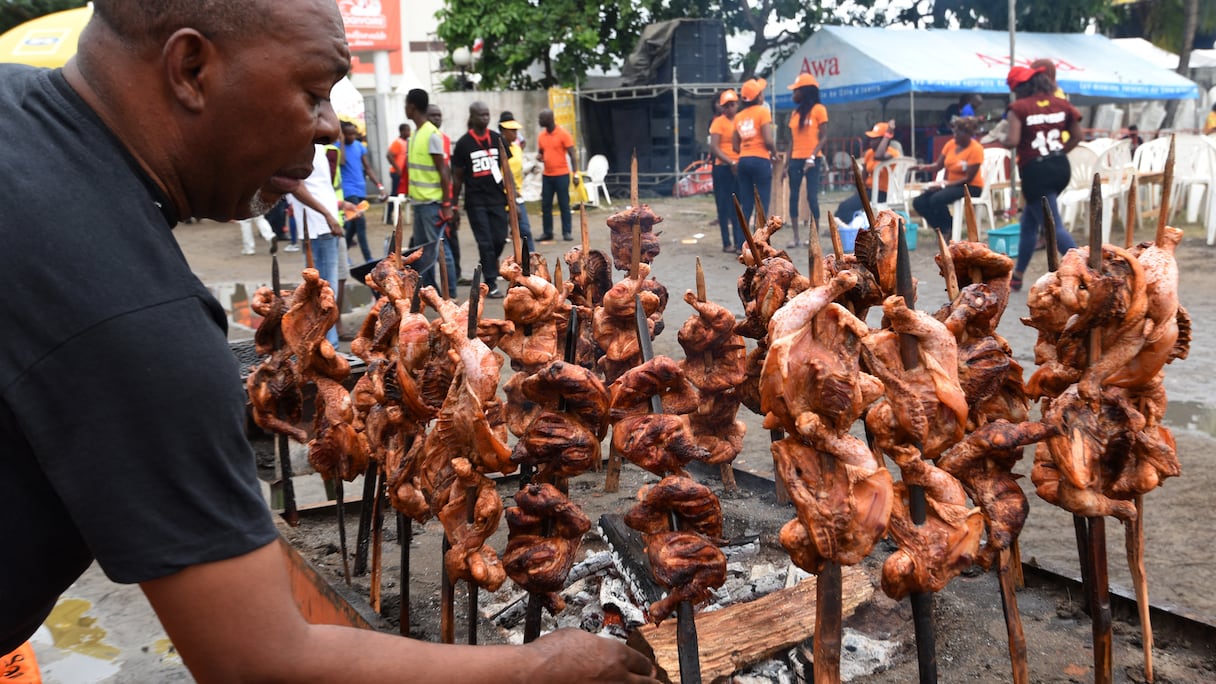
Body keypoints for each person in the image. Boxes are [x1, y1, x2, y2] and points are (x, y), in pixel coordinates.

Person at [0, 2, 656, 681]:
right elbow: (258, 660)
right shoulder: (133, 320)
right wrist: (535, 669)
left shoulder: (15, 103)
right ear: (191, 68)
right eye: (313, 93)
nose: (329, 129)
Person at [1004, 65, 1082, 292]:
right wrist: (1057, 154)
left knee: (1052, 227)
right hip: (1060, 167)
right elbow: (1077, 135)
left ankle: (1087, 270)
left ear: (1021, 87)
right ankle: (1017, 276)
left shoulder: (1018, 108)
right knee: (1029, 222)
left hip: (1035, 172)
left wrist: (1000, 136)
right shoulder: (1062, 104)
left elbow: (1013, 140)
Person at [289, 143, 347, 346]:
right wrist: (327, 215)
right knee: (323, 295)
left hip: (327, 226)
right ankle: (327, 346)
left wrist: (336, 208)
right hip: (318, 228)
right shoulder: (297, 147)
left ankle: (328, 346)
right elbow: (296, 186)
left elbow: (319, 187)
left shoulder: (319, 148)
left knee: (328, 291)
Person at [451, 101, 510, 297]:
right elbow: (457, 177)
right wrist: (453, 204)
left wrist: (513, 199)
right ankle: (491, 282)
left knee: (499, 239)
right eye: (481, 115)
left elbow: (506, 172)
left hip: (497, 199)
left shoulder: (497, 139)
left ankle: (489, 263)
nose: (485, 118)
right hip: (476, 202)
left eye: (487, 114)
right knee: (485, 243)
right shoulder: (463, 144)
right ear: (472, 116)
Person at [407, 90, 458, 298]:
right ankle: (428, 292)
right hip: (419, 203)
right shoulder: (416, 134)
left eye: (406, 105)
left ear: (412, 107)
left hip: (432, 204)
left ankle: (450, 294)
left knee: (439, 251)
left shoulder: (431, 135)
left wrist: (447, 203)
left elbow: (444, 170)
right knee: (422, 252)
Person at [912, 116, 985, 238]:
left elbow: (968, 178)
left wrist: (944, 184)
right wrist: (922, 167)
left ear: (967, 134)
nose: (954, 135)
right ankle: (942, 228)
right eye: (954, 132)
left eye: (957, 132)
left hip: (971, 187)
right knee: (919, 202)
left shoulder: (976, 149)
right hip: (952, 185)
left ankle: (948, 229)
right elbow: (938, 166)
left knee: (936, 199)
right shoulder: (950, 144)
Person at [785, 73, 829, 247]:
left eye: (796, 91)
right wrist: (785, 165)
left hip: (813, 159)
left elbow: (824, 136)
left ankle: (814, 237)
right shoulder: (795, 113)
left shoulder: (819, 109)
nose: (793, 95)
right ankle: (795, 237)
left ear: (805, 92)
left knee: (812, 196)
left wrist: (812, 155)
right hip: (795, 159)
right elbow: (791, 141)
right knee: (793, 197)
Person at [732, 78, 776, 235]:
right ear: (758, 96)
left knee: (746, 204)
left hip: (743, 160)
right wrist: (775, 153)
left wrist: (747, 149)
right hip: (761, 160)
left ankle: (741, 243)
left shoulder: (738, 116)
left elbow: (735, 145)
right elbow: (769, 140)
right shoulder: (763, 112)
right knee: (762, 204)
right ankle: (760, 242)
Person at [339, 119, 384, 264]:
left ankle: (343, 253)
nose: (352, 137)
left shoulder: (359, 147)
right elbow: (342, 162)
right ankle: (368, 258)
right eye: (348, 134)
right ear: (342, 134)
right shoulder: (337, 148)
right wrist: (341, 142)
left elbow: (368, 167)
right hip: (348, 190)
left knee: (352, 224)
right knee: (360, 222)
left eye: (354, 134)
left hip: (360, 189)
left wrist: (379, 185)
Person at [836, 120, 900, 224]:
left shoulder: (892, 153)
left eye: (875, 139)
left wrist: (887, 135)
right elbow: (864, 175)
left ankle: (849, 228)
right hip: (870, 191)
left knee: (845, 208)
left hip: (883, 193)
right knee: (843, 207)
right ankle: (842, 227)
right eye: (871, 139)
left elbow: (879, 156)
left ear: (884, 139)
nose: (871, 142)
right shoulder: (869, 153)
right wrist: (859, 192)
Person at [536, 108, 579, 242]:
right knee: (546, 205)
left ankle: (567, 232)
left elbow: (572, 154)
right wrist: (540, 156)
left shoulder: (563, 134)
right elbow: (541, 152)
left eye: (541, 118)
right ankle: (547, 232)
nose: (539, 121)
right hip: (547, 175)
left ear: (549, 119)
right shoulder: (541, 136)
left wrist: (575, 174)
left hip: (562, 175)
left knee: (564, 204)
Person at [708, 89, 743, 253]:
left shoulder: (740, 121)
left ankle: (738, 242)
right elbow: (714, 147)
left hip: (737, 167)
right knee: (723, 206)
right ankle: (726, 242)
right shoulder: (718, 123)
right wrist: (730, 161)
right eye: (727, 105)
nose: (730, 108)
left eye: (732, 105)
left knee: (737, 206)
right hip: (722, 167)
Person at [499, 111, 537, 254]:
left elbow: (522, 142)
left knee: (525, 230)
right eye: (512, 131)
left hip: (517, 195)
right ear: (503, 131)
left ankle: (532, 258)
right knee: (499, 236)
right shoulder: (498, 149)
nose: (515, 133)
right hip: (501, 196)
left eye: (516, 131)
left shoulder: (517, 148)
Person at [387, 123, 410, 195]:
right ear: (402, 131)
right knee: (395, 192)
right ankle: (391, 206)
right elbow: (389, 155)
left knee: (402, 192)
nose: (409, 133)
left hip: (404, 172)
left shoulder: (407, 142)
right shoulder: (397, 142)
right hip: (397, 172)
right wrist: (398, 169)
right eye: (407, 130)